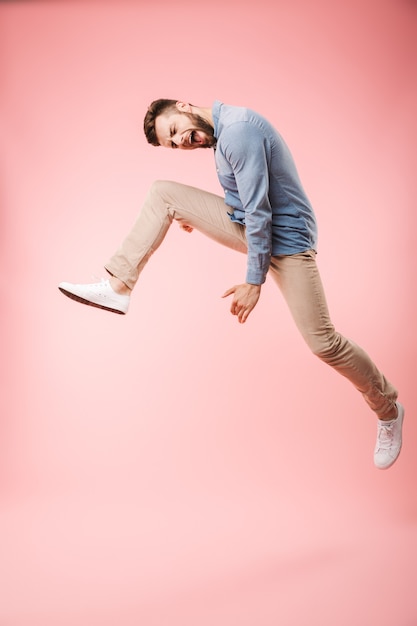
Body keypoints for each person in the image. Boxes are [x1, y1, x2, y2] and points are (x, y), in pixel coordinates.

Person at [59, 99, 404, 470]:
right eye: (173, 145)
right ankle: (118, 286)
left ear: (185, 105)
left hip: (287, 243)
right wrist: (199, 216)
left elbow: (260, 213)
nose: (182, 143)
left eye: (175, 131)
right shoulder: (221, 135)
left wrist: (252, 283)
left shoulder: (238, 133)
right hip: (257, 228)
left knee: (324, 342)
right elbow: (244, 202)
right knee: (164, 194)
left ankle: (388, 409)